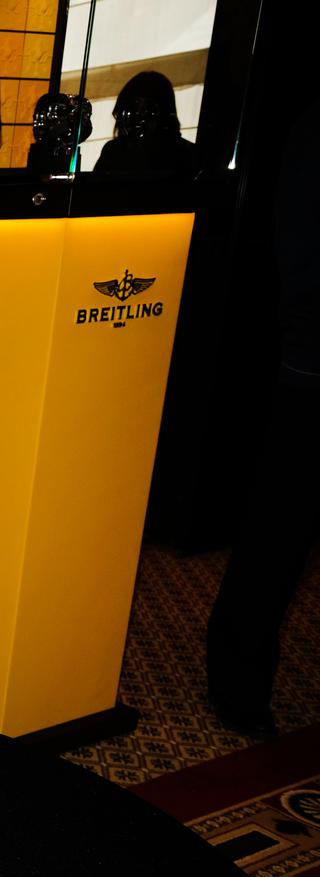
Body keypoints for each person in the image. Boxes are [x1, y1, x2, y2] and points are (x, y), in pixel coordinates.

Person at [205, 102, 320, 739]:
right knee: (279, 539)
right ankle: (238, 683)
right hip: (312, 369)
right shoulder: (314, 127)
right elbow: (299, 255)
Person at [94, 71, 197, 178]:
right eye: (133, 108)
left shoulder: (186, 154)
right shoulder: (113, 151)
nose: (139, 117)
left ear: (164, 114)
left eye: (148, 109)